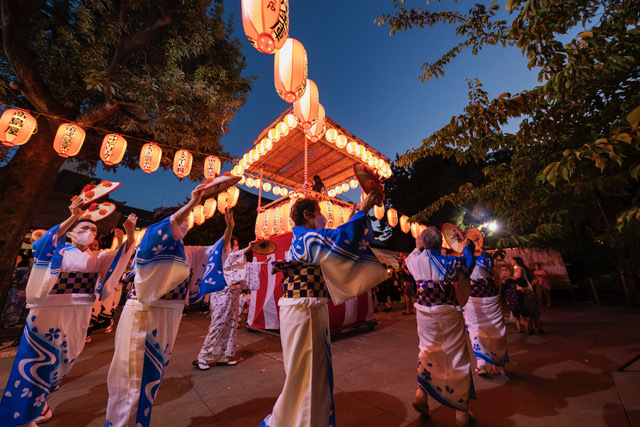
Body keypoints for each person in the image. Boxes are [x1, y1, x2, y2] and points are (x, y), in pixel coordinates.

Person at [0, 198, 137, 426]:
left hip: (80, 312)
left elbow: (123, 255)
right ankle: (19, 417)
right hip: (48, 311)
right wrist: (74, 216)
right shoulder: (58, 251)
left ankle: (40, 405)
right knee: (34, 361)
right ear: (71, 234)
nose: (90, 232)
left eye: (93, 229)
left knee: (62, 363)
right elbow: (45, 242)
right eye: (84, 228)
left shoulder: (99, 257)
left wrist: (129, 233)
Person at [261, 190, 387, 427]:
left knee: (305, 373)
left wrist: (355, 214)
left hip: (303, 307)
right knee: (310, 375)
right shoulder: (308, 239)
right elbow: (342, 239)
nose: (323, 218)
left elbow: (334, 239)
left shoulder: (304, 239)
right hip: (305, 309)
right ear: (308, 215)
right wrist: (363, 211)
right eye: (319, 214)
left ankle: (294, 419)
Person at [104, 183, 222, 427]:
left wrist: (229, 228)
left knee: (152, 374)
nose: (187, 224)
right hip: (145, 313)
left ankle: (137, 422)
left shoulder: (184, 250)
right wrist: (193, 202)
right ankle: (121, 423)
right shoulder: (150, 240)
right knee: (133, 374)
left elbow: (215, 252)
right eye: (183, 220)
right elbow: (163, 230)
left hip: (171, 313)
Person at [405, 227, 475, 426]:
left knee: (427, 350)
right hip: (448, 314)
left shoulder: (413, 261)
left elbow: (415, 252)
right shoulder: (449, 262)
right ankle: (461, 413)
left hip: (425, 313)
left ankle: (421, 393)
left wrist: (419, 246)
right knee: (457, 357)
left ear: (424, 244)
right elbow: (468, 265)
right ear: (440, 244)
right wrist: (466, 247)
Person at [194, 209, 261, 370]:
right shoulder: (222, 254)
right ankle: (203, 356)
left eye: (237, 245)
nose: (235, 248)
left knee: (231, 325)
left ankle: (225, 355)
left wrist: (259, 263)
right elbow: (229, 248)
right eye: (233, 245)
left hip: (233, 294)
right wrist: (230, 226)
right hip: (221, 293)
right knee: (218, 323)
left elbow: (244, 267)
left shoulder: (236, 258)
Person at [463, 241, 509, 376]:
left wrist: (466, 248)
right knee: (497, 328)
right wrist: (479, 247)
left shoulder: (467, 261)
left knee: (475, 328)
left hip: (474, 297)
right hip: (491, 296)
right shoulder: (486, 259)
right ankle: (500, 365)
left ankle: (481, 364)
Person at [0, 254, 31, 328]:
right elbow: (11, 277)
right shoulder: (23, 270)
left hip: (26, 294)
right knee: (10, 308)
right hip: (16, 292)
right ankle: (5, 324)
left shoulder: (35, 271)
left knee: (19, 311)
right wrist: (16, 263)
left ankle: (12, 324)